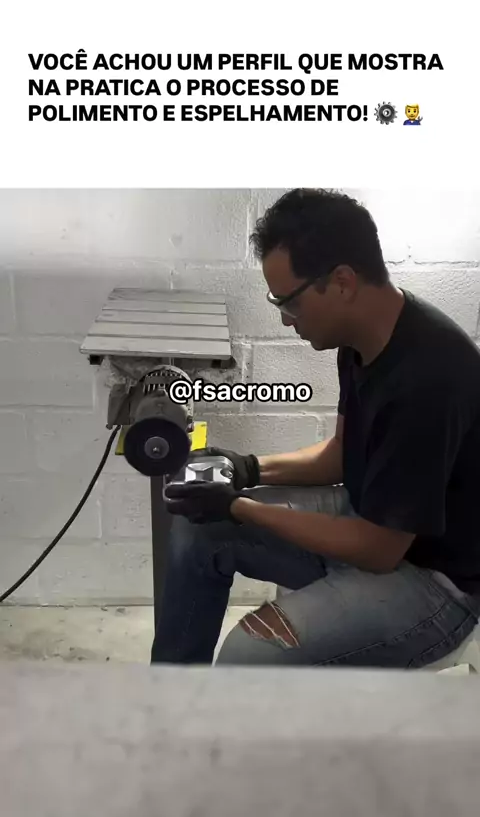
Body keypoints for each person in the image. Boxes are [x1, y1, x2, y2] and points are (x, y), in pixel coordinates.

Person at [153, 188, 480, 667]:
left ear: (342, 282)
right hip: (370, 522)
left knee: (250, 653)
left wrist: (238, 505)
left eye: (289, 303)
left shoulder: (429, 379)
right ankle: (169, 696)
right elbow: (339, 455)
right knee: (197, 530)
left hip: (435, 583)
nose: (287, 322)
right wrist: (243, 467)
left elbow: (378, 550)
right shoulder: (361, 340)